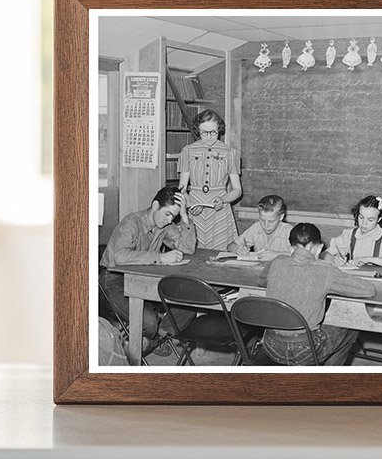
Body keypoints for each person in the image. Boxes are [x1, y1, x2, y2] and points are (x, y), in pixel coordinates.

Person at [262, 222, 375, 366]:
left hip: (271, 344)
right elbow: (368, 290)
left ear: (290, 247)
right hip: (304, 349)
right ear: (320, 247)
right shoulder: (325, 270)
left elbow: (262, 281)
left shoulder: (276, 262)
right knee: (350, 327)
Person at [99, 186, 196, 338]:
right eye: (168, 214)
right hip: (115, 281)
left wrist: (184, 216)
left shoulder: (164, 224)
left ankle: (157, 335)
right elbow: (120, 257)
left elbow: (187, 248)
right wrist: (161, 257)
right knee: (149, 322)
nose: (170, 220)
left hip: (144, 278)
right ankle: (150, 335)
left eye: (174, 216)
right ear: (155, 206)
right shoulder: (131, 223)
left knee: (190, 303)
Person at [177, 108, 242, 249]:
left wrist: (223, 200)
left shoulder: (230, 153)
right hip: (195, 209)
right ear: (198, 130)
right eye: (204, 132)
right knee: (192, 251)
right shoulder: (188, 151)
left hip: (219, 210)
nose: (209, 136)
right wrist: (190, 205)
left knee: (220, 254)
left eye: (213, 132)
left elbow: (237, 190)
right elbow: (181, 188)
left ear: (219, 129)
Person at [326, 195, 382, 270]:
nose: (364, 223)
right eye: (361, 217)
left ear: (379, 219)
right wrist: (334, 260)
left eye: (370, 220)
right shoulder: (349, 235)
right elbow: (323, 254)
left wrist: (367, 259)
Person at [230, 194, 292, 258]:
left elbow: (301, 255)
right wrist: (237, 249)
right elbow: (231, 245)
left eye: (271, 221)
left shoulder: (289, 232)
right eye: (262, 220)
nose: (266, 225)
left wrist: (277, 255)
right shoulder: (256, 228)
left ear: (281, 217)